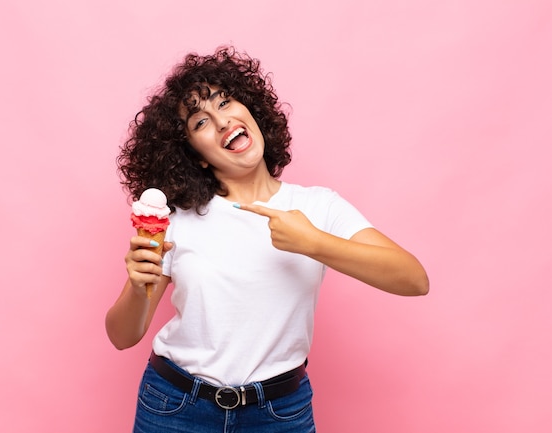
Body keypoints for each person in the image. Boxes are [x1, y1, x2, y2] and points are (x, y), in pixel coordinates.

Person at [106, 46, 429, 433]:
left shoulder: (317, 206)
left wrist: (314, 242)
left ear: (252, 112)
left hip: (279, 414)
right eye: (200, 123)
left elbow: (414, 279)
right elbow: (122, 336)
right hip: (175, 408)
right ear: (198, 156)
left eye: (225, 102)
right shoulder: (177, 220)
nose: (222, 120)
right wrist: (138, 285)